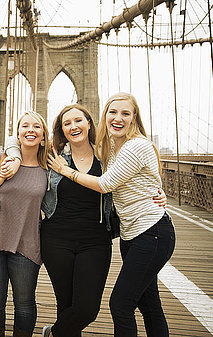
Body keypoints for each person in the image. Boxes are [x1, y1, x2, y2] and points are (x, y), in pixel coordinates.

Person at [5, 104, 163, 337]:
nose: (73, 126)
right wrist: (15, 158)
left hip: (96, 240)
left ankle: (54, 333)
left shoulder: (109, 154)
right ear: (61, 129)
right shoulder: (52, 153)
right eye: (66, 123)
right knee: (66, 305)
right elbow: (14, 139)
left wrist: (157, 191)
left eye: (78, 120)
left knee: (87, 309)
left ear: (89, 123)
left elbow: (138, 172)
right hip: (56, 239)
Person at [47, 93, 175, 337]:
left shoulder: (114, 152)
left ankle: (54, 333)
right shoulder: (110, 150)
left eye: (125, 113)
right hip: (122, 236)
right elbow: (23, 143)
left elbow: (107, 183)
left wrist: (66, 172)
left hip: (144, 232)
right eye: (113, 113)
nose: (118, 118)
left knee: (118, 305)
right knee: (149, 305)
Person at [0, 111, 50, 337]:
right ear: (17, 133)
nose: (30, 130)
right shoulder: (0, 158)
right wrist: (3, 176)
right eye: (25, 126)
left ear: (43, 135)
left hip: (27, 246)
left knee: (24, 304)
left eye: (36, 126)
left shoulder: (49, 167)